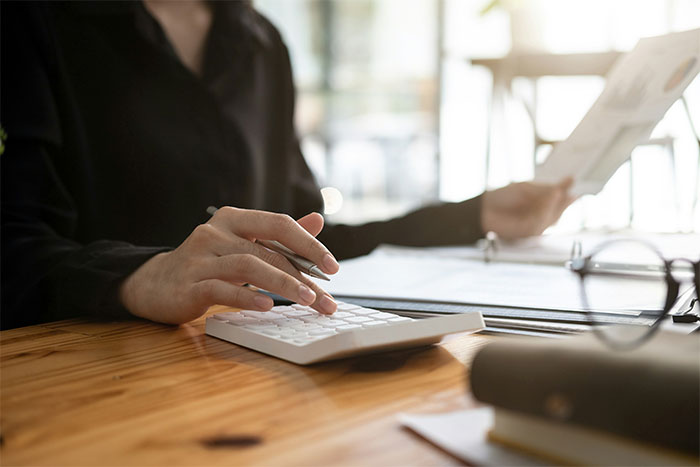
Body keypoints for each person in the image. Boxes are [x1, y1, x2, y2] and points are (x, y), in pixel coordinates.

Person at [0, 0, 573, 330]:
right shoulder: (34, 24)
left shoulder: (261, 44)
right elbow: (11, 249)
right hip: (90, 378)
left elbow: (306, 245)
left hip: (249, 369)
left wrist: (472, 217)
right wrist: (141, 276)